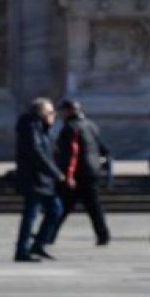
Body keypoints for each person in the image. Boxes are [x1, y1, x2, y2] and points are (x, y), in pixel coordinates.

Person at [52, 99, 111, 245]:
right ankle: (103, 235)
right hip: (92, 172)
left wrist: (68, 175)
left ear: (69, 111)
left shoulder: (70, 128)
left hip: (77, 173)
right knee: (93, 206)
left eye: (63, 111)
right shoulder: (90, 125)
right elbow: (102, 148)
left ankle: (49, 234)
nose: (61, 114)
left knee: (63, 206)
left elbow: (70, 154)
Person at [13, 97, 64, 263]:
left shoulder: (41, 128)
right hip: (34, 178)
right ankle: (22, 250)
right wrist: (55, 172)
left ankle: (38, 245)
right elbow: (36, 153)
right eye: (50, 112)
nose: (54, 116)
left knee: (55, 210)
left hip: (43, 180)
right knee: (31, 215)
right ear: (41, 113)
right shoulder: (30, 127)